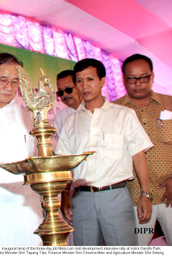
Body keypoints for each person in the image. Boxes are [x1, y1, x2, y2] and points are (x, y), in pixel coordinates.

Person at [56, 58, 153, 246]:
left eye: (90, 79)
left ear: (102, 81)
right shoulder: (71, 121)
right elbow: (65, 162)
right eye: (79, 80)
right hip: (81, 199)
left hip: (115, 196)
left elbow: (138, 154)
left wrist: (145, 194)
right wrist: (65, 194)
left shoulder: (123, 115)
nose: (84, 86)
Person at [0, 53, 43, 246]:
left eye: (15, 81)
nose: (9, 87)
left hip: (28, 204)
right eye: (3, 80)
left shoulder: (29, 115)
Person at [114, 54, 172, 246]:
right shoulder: (115, 111)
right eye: (132, 78)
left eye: (144, 77)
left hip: (170, 195)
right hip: (134, 197)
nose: (138, 83)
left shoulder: (170, 104)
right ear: (124, 80)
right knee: (137, 250)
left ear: (152, 77)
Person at [54, 70, 82, 138]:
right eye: (61, 92)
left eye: (68, 90)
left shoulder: (95, 109)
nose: (65, 95)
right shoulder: (60, 118)